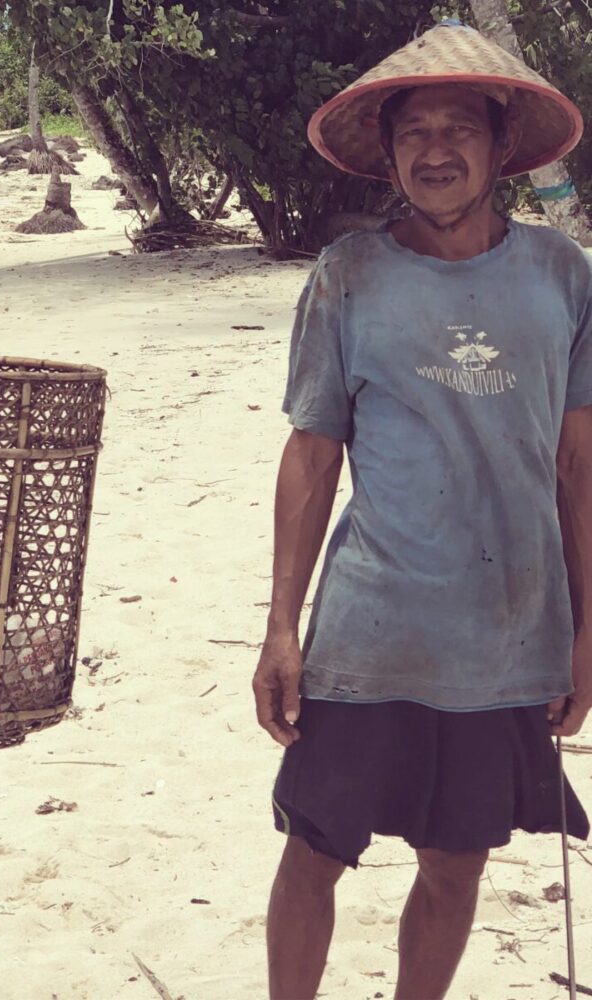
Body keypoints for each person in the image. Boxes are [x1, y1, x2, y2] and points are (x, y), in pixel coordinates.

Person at [251, 22, 591, 1000]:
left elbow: (577, 465)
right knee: (312, 848)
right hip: (368, 636)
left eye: (456, 130)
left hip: (507, 638)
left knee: (455, 861)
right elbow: (312, 455)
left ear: (498, 148)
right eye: (412, 134)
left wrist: (585, 631)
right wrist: (281, 627)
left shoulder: (563, 277)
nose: (433, 151)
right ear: (389, 154)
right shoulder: (348, 276)